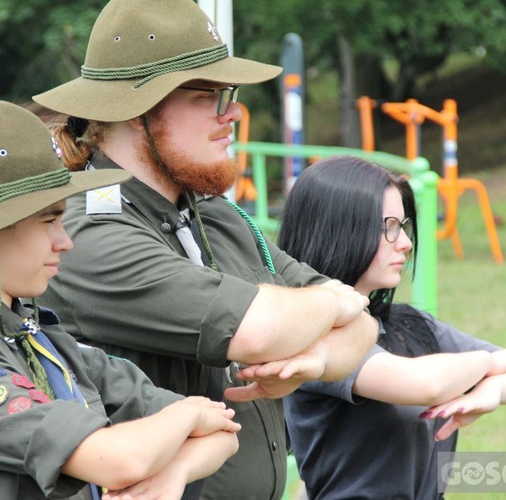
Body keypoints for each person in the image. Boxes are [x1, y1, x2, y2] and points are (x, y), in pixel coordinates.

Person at [31, 0, 379, 498]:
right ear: (137, 110)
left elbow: (364, 326)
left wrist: (318, 358)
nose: (233, 112)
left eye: (229, 94)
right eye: (208, 96)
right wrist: (333, 302)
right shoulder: (86, 232)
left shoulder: (209, 213)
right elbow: (259, 331)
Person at [0, 100, 242, 500]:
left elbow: (225, 433)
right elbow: (123, 459)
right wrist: (185, 415)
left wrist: (175, 470)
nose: (65, 240)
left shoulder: (43, 340)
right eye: (49, 221)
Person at [273, 155, 506, 499]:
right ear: (339, 229)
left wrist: (493, 391)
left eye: (402, 226)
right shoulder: (313, 338)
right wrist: (489, 365)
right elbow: (425, 384)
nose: (405, 242)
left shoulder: (408, 325)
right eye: (388, 227)